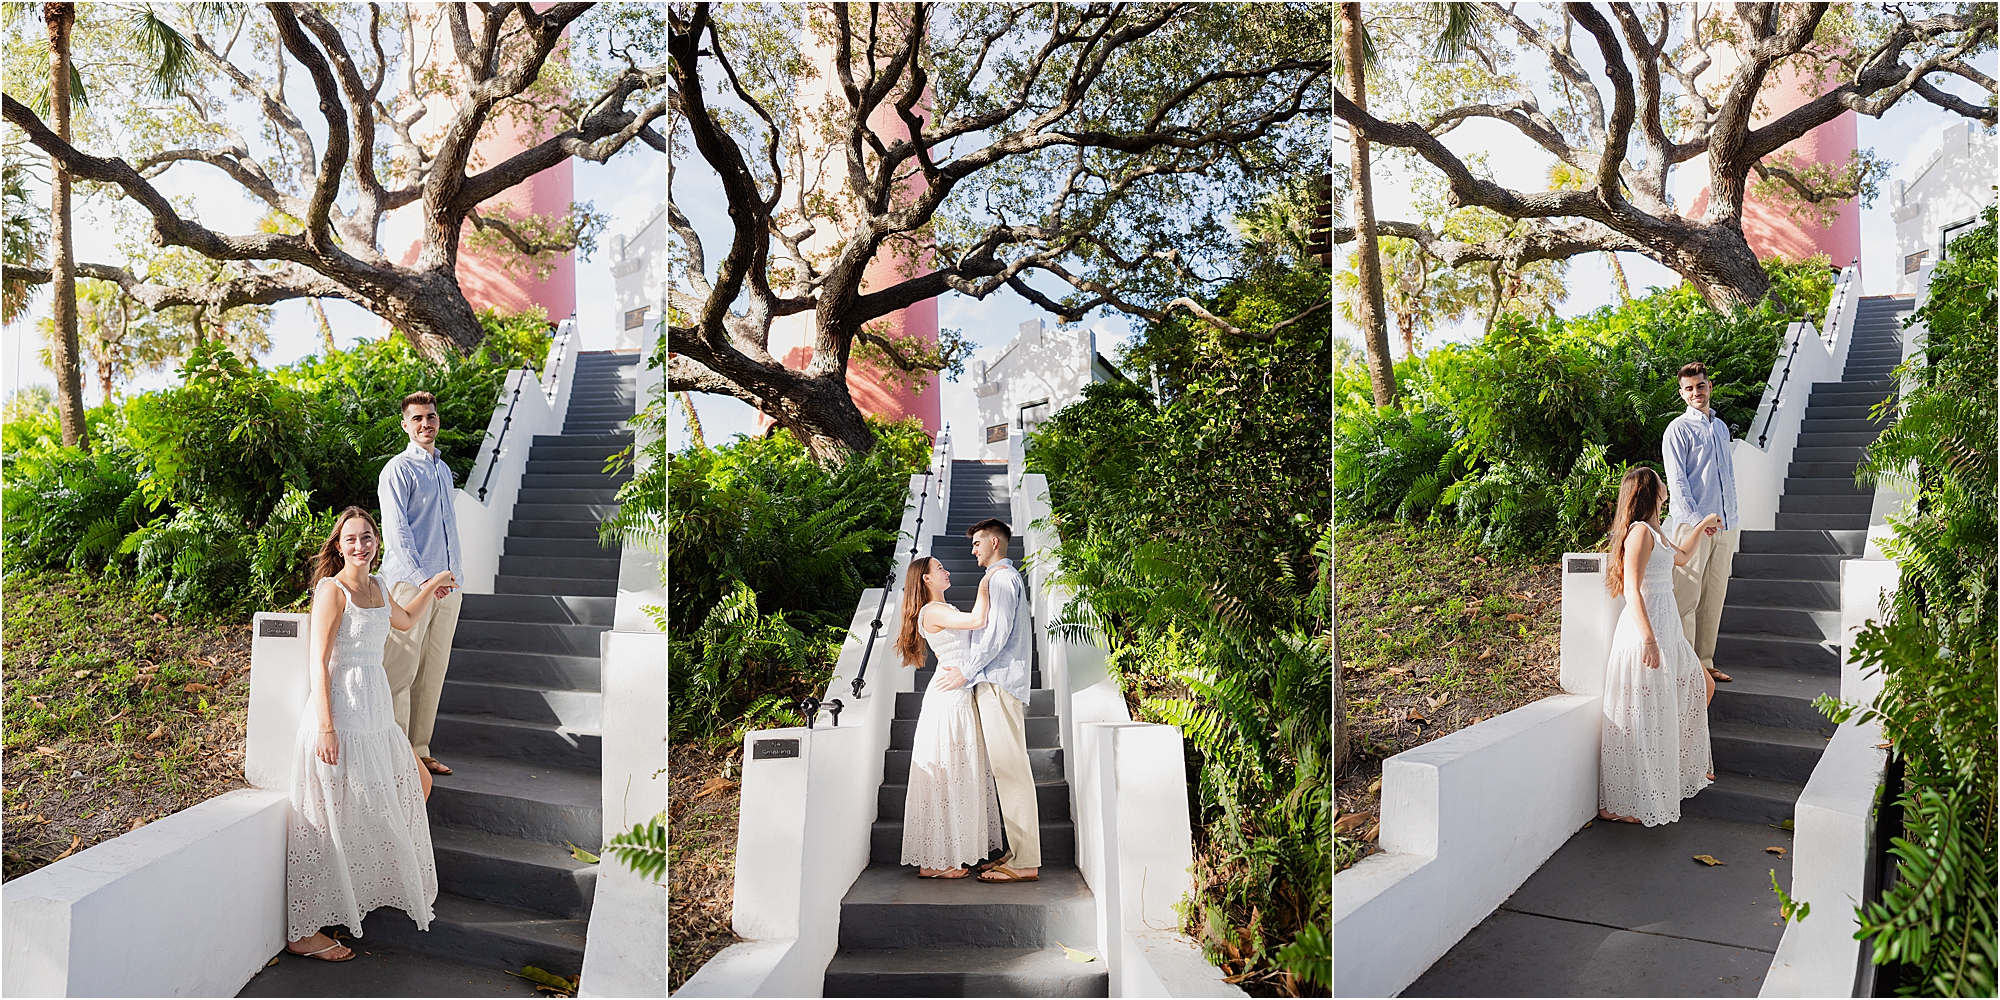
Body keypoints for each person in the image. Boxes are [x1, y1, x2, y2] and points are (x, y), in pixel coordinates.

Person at [285, 507, 459, 961]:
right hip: (343, 713)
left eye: (367, 537)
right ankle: (305, 932)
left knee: (419, 783)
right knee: (333, 817)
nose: (360, 545)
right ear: (339, 546)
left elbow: (405, 620)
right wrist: (326, 727)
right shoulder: (332, 590)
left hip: (376, 713)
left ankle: (357, 889)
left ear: (377, 542)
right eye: (351, 539)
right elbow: (318, 661)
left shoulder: (379, 585)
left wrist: (432, 586)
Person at [1598, 468, 1722, 826]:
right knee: (1642, 713)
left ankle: (1676, 764)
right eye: (1660, 479)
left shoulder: (1656, 531)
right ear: (1651, 490)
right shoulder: (1639, 532)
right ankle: (1619, 805)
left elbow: (1681, 557)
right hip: (1648, 631)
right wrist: (1648, 640)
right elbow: (1632, 589)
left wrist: (1702, 526)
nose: (1666, 484)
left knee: (1702, 686)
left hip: (1669, 631)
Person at [938, 517, 1040, 883]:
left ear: (994, 542)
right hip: (997, 682)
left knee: (1011, 772)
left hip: (998, 683)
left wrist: (966, 672)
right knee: (1006, 771)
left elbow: (996, 634)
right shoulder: (1000, 578)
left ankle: (1026, 862)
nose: (973, 550)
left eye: (977, 543)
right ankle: (1018, 851)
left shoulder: (1001, 578)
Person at [895, 556, 1002, 878]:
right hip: (948, 699)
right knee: (946, 773)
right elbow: (978, 620)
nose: (947, 571)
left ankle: (950, 855)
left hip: (957, 693)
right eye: (940, 569)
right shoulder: (932, 611)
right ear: (926, 579)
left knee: (957, 772)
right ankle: (934, 863)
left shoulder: (943, 608)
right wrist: (987, 581)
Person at [379, 391, 464, 777]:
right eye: (417, 418)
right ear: (405, 425)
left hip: (448, 585)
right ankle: (396, 754)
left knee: (432, 673)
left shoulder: (443, 470)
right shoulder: (397, 470)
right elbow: (397, 534)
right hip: (412, 586)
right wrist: (426, 580)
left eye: (430, 416)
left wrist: (451, 577)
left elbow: (447, 530)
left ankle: (420, 751)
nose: (425, 423)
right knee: (401, 671)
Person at [1662, 363, 1739, 684]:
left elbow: (1727, 476)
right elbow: (1677, 483)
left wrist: (1731, 519)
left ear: (1710, 387)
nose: (1697, 392)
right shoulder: (1677, 430)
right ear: (1682, 393)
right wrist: (1698, 522)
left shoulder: (1720, 428)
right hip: (1693, 527)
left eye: (1701, 386)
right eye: (1690, 388)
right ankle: (1685, 669)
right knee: (1687, 598)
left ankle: (1705, 664)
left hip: (1725, 525)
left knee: (1713, 598)